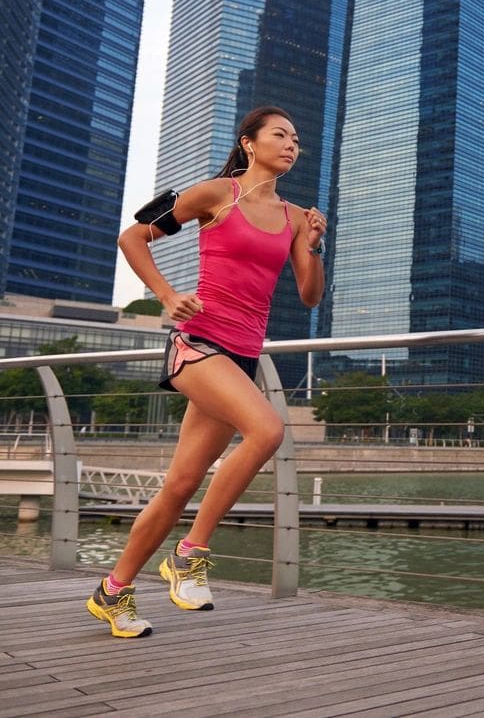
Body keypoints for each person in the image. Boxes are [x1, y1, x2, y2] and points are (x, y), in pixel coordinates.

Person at [86, 106, 326, 637]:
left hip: (240, 357)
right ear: (249, 143)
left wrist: (312, 244)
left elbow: (310, 296)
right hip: (197, 344)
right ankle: (190, 554)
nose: (291, 145)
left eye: (296, 139)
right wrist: (168, 295)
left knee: (180, 485)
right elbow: (133, 238)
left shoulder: (292, 218)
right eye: (280, 135)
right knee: (267, 430)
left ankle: (114, 591)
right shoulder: (216, 194)